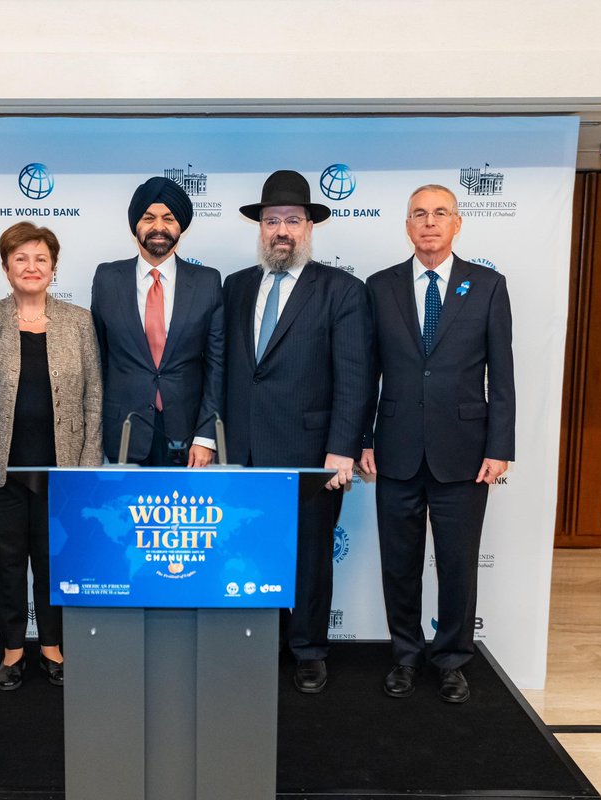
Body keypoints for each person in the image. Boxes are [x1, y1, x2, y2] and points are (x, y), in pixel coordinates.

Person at [359, 184, 515, 704]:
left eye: (440, 213)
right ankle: (406, 655)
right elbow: (365, 374)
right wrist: (363, 439)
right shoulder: (379, 287)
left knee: (457, 563)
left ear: (457, 223)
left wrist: (500, 446)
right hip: (396, 448)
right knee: (399, 563)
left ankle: (451, 660)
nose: (429, 223)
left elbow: (503, 375)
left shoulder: (488, 285)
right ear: (407, 226)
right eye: (419, 214)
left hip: (466, 454)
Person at [223, 169, 373, 693]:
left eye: (292, 220)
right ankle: (256, 641)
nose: (280, 230)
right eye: (271, 221)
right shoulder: (236, 286)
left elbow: (354, 377)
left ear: (310, 227)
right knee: (250, 549)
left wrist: (342, 450)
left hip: (312, 452)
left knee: (310, 554)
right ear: (259, 228)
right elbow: (228, 368)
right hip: (242, 451)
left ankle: (308, 649)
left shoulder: (343, 291)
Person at [0, 222, 103, 688]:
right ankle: (12, 650)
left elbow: (94, 396)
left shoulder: (79, 321)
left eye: (40, 259)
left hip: (62, 469)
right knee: (7, 561)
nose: (31, 267)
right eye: (20, 259)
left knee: (55, 561)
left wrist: (87, 468)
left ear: (53, 267)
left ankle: (51, 645)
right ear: (6, 267)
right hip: (1, 468)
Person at [91, 176, 224, 466]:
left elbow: (216, 367)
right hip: (124, 430)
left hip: (187, 437)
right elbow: (98, 358)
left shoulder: (207, 282)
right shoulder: (106, 279)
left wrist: (204, 437)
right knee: (123, 511)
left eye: (169, 218)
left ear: (181, 227)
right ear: (135, 225)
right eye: (148, 217)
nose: (159, 227)